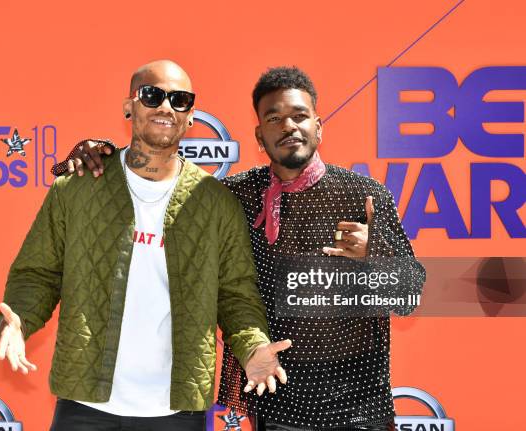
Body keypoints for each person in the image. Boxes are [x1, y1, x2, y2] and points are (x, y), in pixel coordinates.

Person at [54, 66, 426, 430]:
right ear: (259, 136)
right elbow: (158, 180)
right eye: (274, 118)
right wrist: (99, 155)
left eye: (299, 115)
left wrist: (373, 256)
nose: (288, 126)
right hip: (276, 398)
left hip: (359, 405)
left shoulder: (363, 195)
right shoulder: (235, 196)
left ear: (318, 126)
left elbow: (412, 296)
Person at [0, 59, 292, 431]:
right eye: (152, 95)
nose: (166, 107)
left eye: (179, 99)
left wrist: (253, 347)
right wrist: (18, 322)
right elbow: (38, 272)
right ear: (129, 105)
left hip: (176, 411)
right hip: (85, 405)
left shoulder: (215, 202)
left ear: (190, 116)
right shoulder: (78, 188)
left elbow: (236, 295)